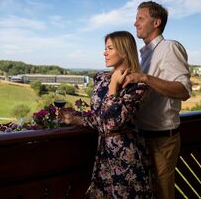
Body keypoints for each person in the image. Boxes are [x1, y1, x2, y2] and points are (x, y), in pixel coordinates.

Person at [59, 31, 153, 199]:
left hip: (125, 156)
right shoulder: (101, 78)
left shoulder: (138, 85)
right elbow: (100, 118)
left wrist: (113, 87)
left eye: (110, 48)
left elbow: (113, 123)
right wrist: (74, 119)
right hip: (103, 153)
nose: (105, 52)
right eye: (105, 48)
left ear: (124, 51)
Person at [123, 1, 192, 199]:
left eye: (140, 18)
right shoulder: (144, 55)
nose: (135, 23)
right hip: (142, 137)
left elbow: (183, 90)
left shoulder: (169, 48)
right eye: (136, 18)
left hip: (162, 139)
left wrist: (144, 78)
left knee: (162, 192)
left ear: (156, 22)